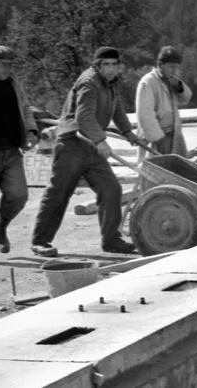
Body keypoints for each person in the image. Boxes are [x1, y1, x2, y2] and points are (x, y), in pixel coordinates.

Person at [31, 47, 146, 257]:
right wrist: (101, 140)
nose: (111, 69)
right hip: (72, 143)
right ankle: (40, 241)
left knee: (111, 189)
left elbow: (116, 108)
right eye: (106, 65)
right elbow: (84, 117)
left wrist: (129, 132)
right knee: (59, 193)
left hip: (91, 144)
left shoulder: (110, 83)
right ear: (97, 65)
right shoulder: (89, 83)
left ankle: (111, 239)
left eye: (114, 65)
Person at [0, 46, 39, 257]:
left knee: (19, 196)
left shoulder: (13, 83)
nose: (8, 69)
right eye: (4, 64)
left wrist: (31, 130)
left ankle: (1, 225)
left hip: (11, 150)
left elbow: (26, 108)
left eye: (11, 65)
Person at [135, 46, 193, 157]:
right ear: (160, 65)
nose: (174, 71)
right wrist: (157, 137)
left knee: (175, 169)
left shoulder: (171, 81)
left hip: (173, 133)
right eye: (171, 67)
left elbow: (186, 99)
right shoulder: (148, 82)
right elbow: (145, 114)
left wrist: (179, 86)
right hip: (155, 136)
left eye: (177, 67)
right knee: (153, 169)